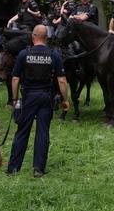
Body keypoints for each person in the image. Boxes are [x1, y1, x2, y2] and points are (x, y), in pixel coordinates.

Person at [7, 25, 69, 178]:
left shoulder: (23, 54)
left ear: (33, 37)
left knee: (22, 131)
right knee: (42, 132)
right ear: (46, 38)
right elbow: (61, 80)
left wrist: (14, 99)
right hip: (45, 97)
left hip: (28, 97)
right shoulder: (54, 55)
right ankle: (38, 169)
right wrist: (65, 100)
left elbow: (15, 79)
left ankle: (13, 168)